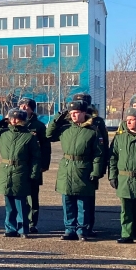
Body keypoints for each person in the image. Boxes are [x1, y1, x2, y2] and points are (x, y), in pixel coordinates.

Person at [46, 100, 104, 241]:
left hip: (83, 167)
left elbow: (98, 154)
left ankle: (82, 230)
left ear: (84, 113)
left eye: (76, 113)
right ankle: (69, 229)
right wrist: (58, 117)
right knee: (67, 200)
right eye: (71, 113)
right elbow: (49, 134)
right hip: (66, 167)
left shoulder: (92, 131)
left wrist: (96, 171)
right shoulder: (65, 128)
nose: (73, 115)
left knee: (82, 202)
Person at [0, 108, 40, 237]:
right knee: (8, 202)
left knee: (21, 202)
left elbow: (35, 157)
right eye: (11, 118)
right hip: (6, 170)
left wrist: (34, 174)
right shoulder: (3, 133)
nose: (14, 121)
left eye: (17, 118)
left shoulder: (28, 136)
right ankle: (10, 228)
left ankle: (23, 228)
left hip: (21, 170)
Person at [72, 93, 108, 237]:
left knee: (87, 199)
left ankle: (88, 226)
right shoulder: (70, 119)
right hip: (72, 166)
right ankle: (73, 226)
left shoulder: (97, 121)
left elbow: (103, 144)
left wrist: (100, 167)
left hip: (89, 164)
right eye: (77, 101)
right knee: (71, 198)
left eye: (83, 102)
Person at [109, 107, 136, 244]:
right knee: (126, 210)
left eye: (132, 120)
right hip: (124, 179)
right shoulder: (120, 137)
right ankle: (127, 234)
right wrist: (112, 176)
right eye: (127, 120)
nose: (128, 122)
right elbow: (113, 158)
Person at [16, 98, 50, 233]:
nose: (23, 108)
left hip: (34, 165)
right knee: (18, 196)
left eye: (26, 106)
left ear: (32, 109)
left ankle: (32, 223)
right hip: (18, 166)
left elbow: (46, 146)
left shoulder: (39, 126)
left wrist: (44, 164)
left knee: (32, 197)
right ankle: (20, 221)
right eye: (20, 105)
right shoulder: (14, 123)